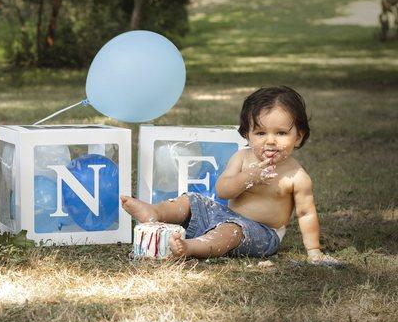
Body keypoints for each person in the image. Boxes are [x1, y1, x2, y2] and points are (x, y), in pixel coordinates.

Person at [122, 86, 340, 265]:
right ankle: (155, 211)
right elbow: (222, 190)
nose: (270, 141)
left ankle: (190, 247)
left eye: (281, 133)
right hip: (225, 214)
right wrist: (248, 177)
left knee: (230, 231)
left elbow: (305, 214)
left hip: (262, 233)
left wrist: (314, 251)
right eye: (261, 133)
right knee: (192, 200)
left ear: (298, 137)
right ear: (247, 134)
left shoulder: (296, 176)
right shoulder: (242, 158)